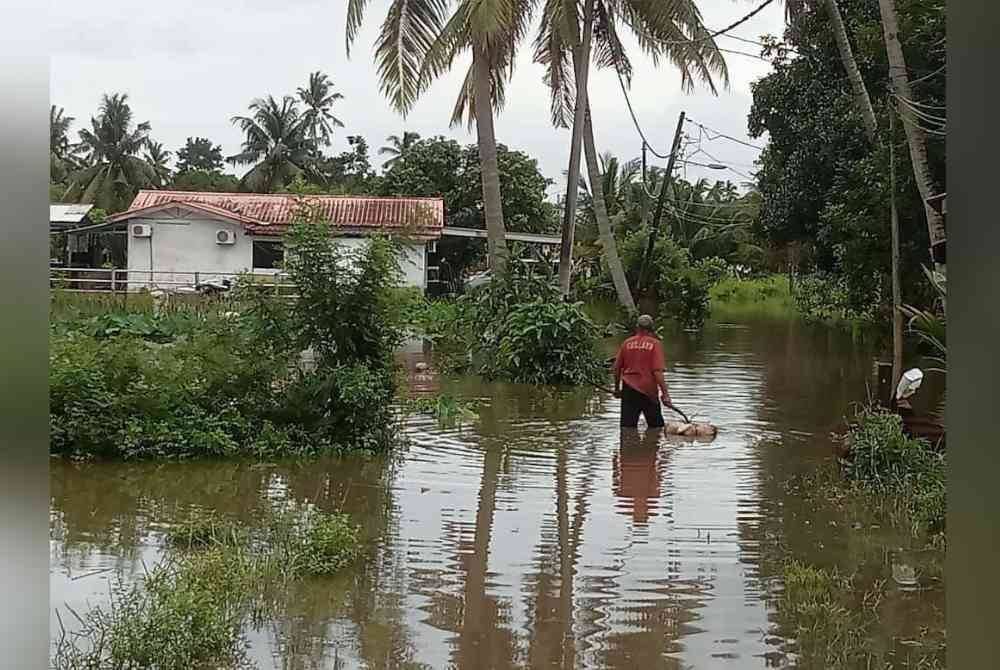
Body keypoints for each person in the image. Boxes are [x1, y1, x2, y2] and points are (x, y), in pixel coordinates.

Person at [612, 314, 672, 429]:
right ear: (652, 329)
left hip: (629, 389)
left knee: (627, 428)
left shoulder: (626, 343)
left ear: (637, 327)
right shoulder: (655, 344)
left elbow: (616, 368)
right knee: (657, 428)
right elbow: (657, 372)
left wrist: (617, 389)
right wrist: (666, 395)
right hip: (648, 390)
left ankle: (628, 446)